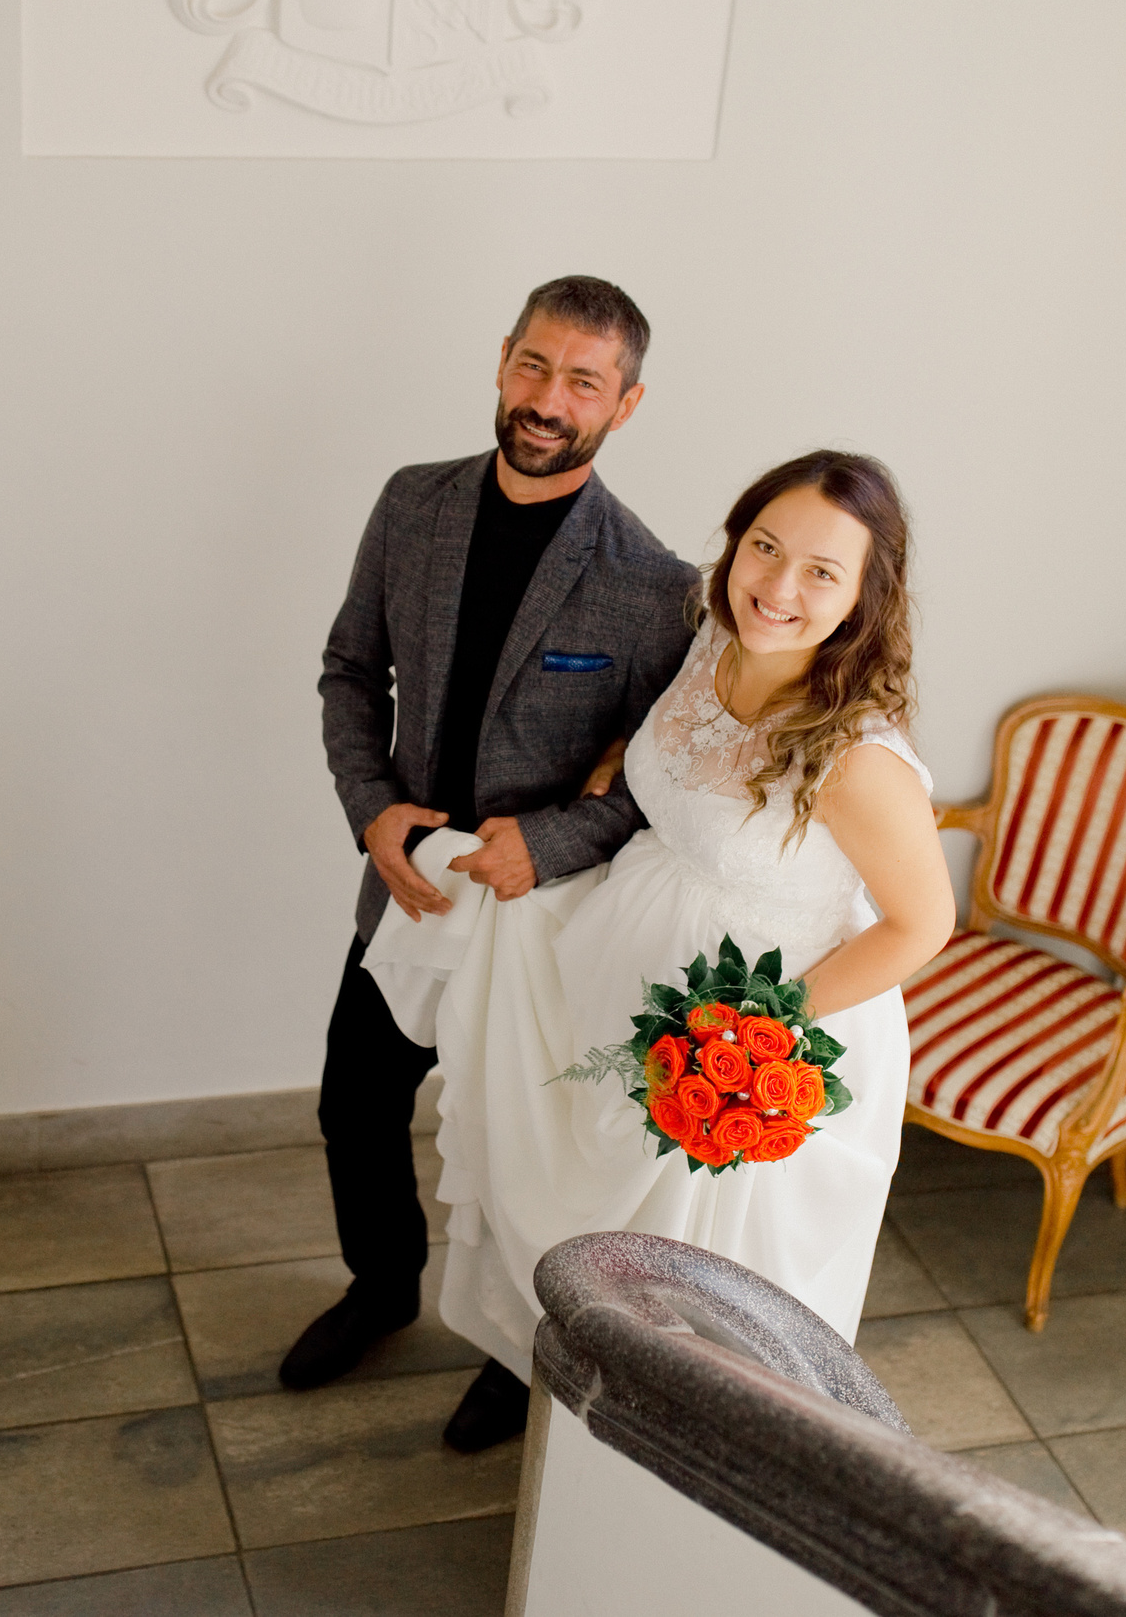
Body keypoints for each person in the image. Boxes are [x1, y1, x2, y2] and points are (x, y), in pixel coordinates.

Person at [362, 451, 956, 1450]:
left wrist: (760, 1037)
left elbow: (920, 925)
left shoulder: (855, 755)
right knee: (557, 1183)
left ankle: (636, 1461)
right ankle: (527, 1357)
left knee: (672, 1279)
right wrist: (608, 770)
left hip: (746, 1022)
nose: (776, 586)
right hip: (619, 949)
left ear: (863, 597)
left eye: (821, 571)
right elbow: (663, 756)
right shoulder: (710, 638)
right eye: (764, 548)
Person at [296, 278, 698, 1448]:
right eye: (534, 365)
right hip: (408, 888)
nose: (547, 399)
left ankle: (514, 1354)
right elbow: (345, 670)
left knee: (521, 1161)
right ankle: (381, 1292)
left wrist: (553, 843)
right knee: (352, 1106)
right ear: (501, 361)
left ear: (624, 405)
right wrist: (371, 811)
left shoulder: (654, 584)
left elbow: (656, 782)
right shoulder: (410, 503)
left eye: (583, 381)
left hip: (544, 927)